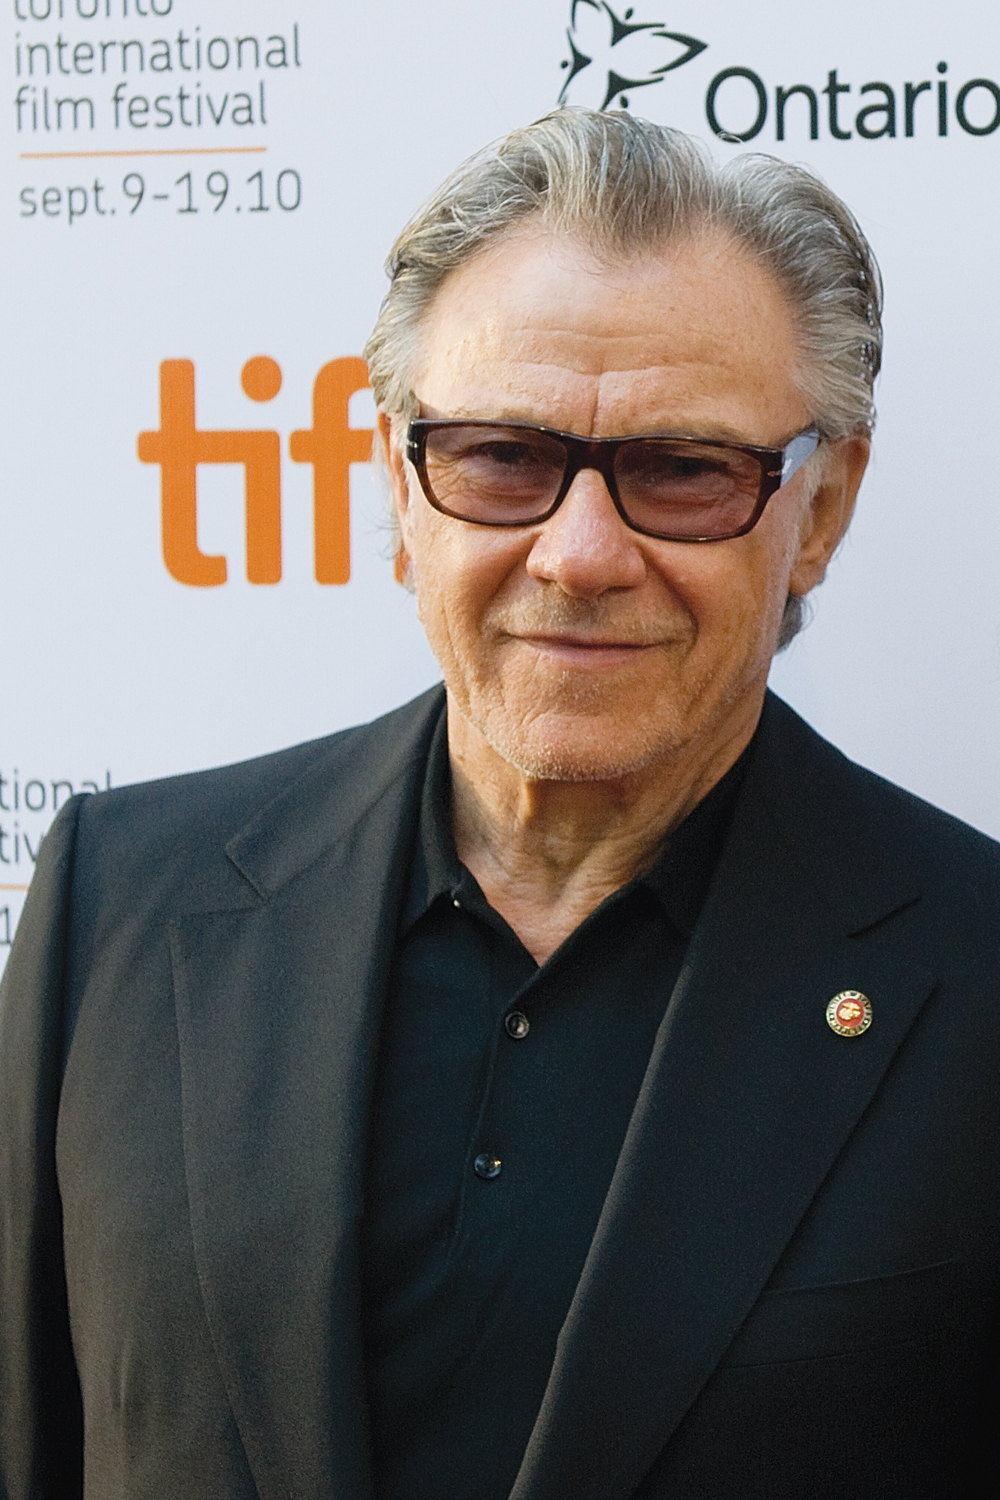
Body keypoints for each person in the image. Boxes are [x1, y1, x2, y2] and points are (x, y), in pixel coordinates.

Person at [1, 109, 998, 1500]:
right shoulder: (120, 903)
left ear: (820, 511)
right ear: (396, 487)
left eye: (684, 470)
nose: (581, 555)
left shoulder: (976, 969)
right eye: (500, 459)